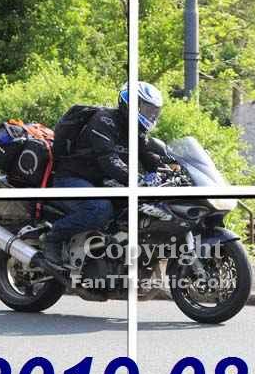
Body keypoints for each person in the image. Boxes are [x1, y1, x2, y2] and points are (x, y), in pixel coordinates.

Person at [41, 81, 169, 265]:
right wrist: (137, 179)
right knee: (100, 208)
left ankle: (105, 256)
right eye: (147, 109)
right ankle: (52, 239)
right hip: (72, 178)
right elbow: (109, 159)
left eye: (154, 111)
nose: (151, 115)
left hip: (100, 182)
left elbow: (149, 157)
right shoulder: (104, 120)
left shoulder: (136, 132)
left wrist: (173, 167)